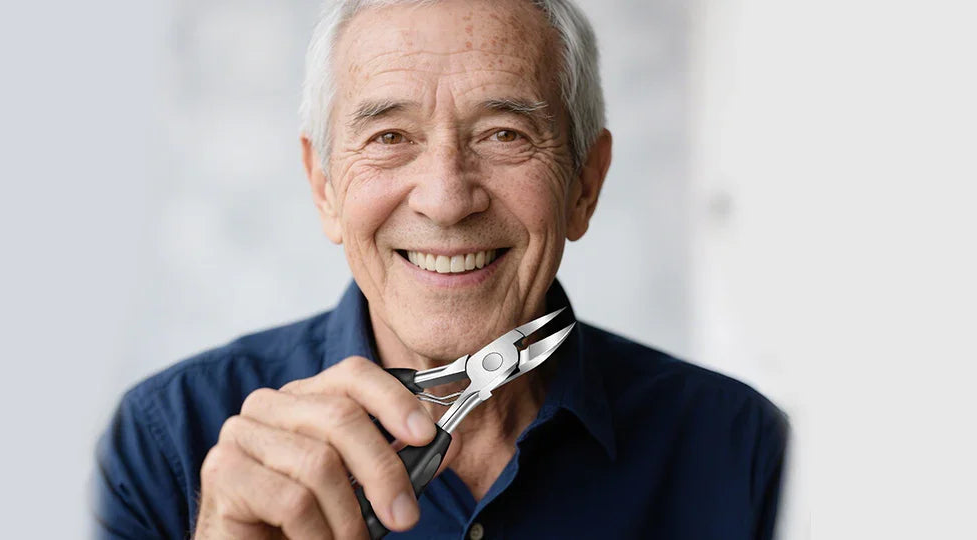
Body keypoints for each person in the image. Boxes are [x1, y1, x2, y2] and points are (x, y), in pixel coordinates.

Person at [93, 0, 788, 538]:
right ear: (325, 187)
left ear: (585, 184)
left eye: (504, 135)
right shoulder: (163, 447)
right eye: (390, 137)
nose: (447, 199)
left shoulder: (747, 454)